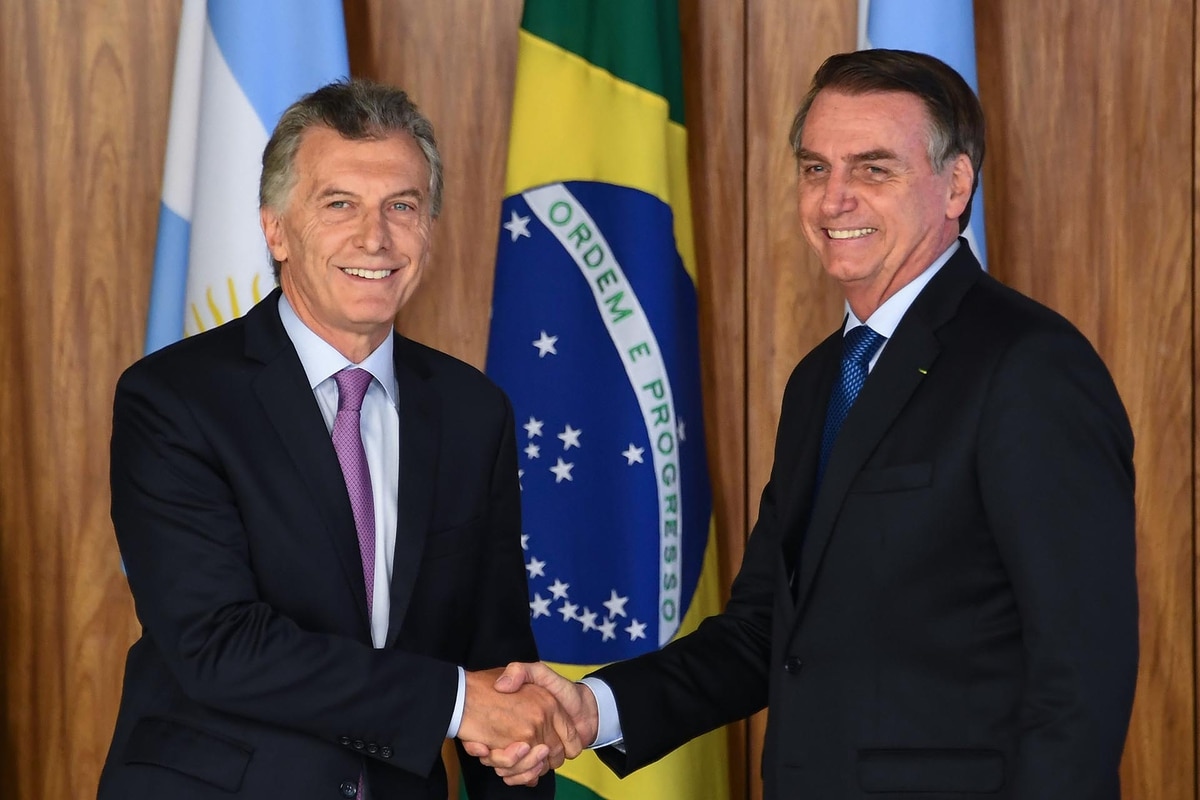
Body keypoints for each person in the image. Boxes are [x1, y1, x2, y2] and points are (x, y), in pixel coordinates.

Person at [470, 49, 1139, 798]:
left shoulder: (1029, 364)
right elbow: (766, 630)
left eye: (873, 169)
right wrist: (592, 708)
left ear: (956, 185)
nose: (834, 199)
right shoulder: (823, 378)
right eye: (816, 168)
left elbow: (1082, 670)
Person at [99, 79, 578, 799]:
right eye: (339, 204)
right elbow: (218, 645)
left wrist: (514, 747)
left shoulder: (473, 411)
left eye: (402, 206)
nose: (374, 238)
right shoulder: (173, 399)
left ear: (429, 227)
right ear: (276, 230)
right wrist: (454, 702)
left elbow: (498, 665)